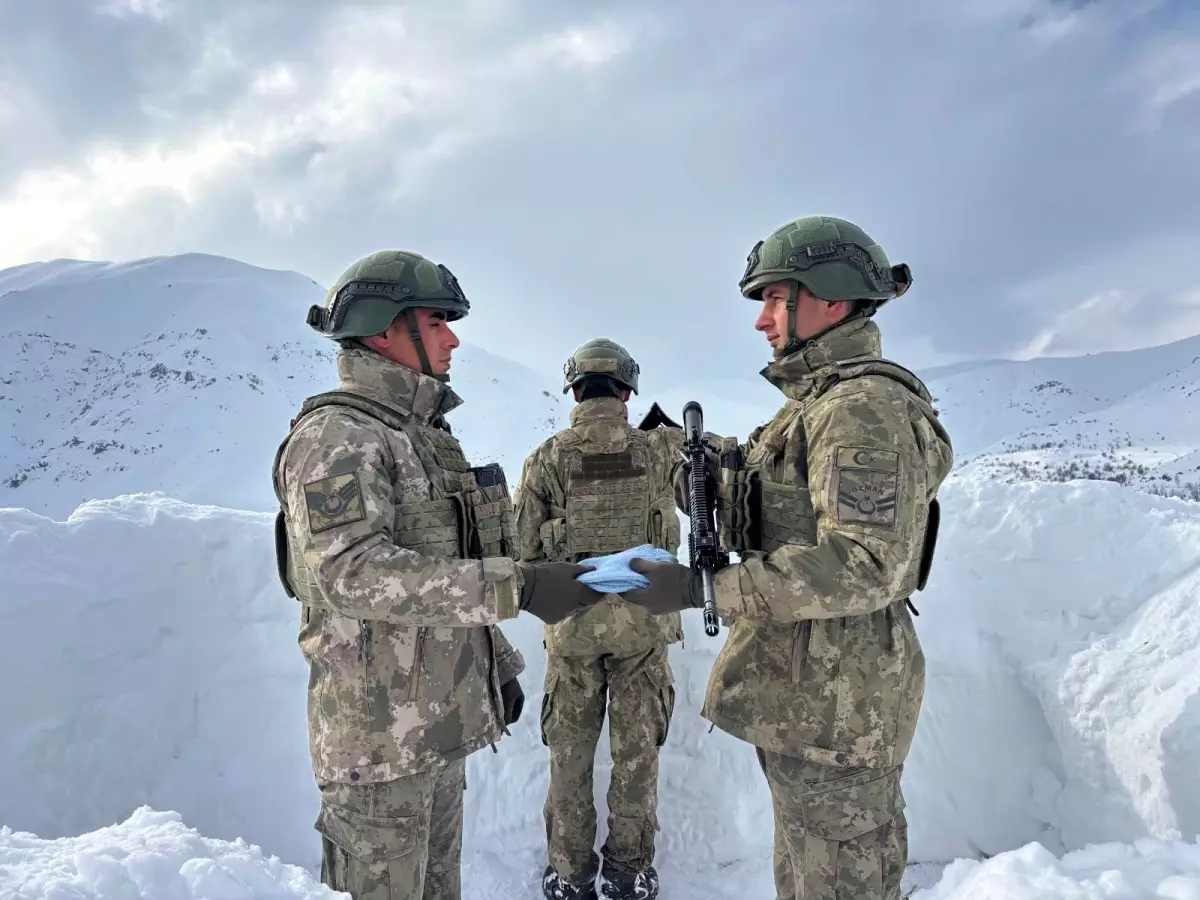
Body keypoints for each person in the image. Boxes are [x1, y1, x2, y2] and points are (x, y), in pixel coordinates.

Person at [619, 217, 954, 900]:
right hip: (811, 698)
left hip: (840, 705)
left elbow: (865, 562)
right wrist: (702, 465)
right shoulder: (816, 405)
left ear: (829, 297)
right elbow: (776, 499)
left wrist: (704, 589)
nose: (761, 320)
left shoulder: (861, 409)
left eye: (775, 298)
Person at [270, 249, 603, 900]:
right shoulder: (338, 436)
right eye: (436, 322)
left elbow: (446, 567)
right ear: (383, 329)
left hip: (435, 729)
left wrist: (493, 662)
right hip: (378, 752)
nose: (452, 339)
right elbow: (350, 571)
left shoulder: (420, 437)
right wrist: (520, 587)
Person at [513, 338, 684, 900]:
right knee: (637, 755)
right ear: (628, 391)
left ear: (574, 391)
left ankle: (570, 874)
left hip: (573, 630)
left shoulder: (546, 457)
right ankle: (629, 874)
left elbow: (522, 548)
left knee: (570, 758)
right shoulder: (658, 452)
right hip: (645, 627)